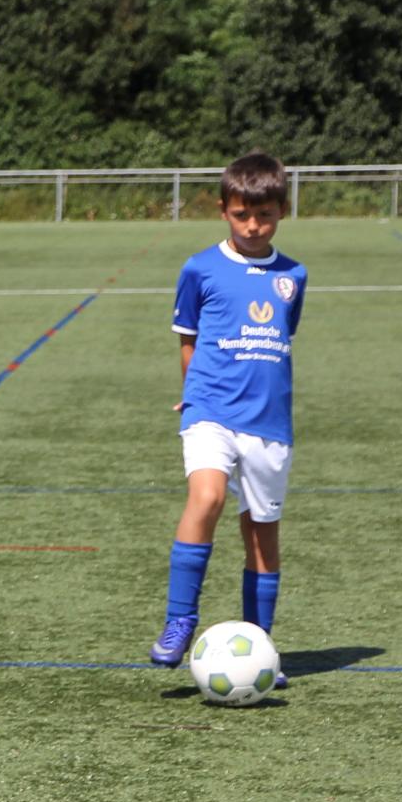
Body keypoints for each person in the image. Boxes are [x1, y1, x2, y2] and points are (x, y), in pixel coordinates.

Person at [150, 151, 306, 686]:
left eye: (264, 215)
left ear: (282, 211)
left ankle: (260, 647)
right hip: (210, 409)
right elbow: (188, 341)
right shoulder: (200, 269)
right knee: (208, 497)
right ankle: (179, 620)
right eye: (242, 215)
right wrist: (191, 394)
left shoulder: (293, 275)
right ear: (224, 211)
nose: (253, 225)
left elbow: (280, 341)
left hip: (269, 421)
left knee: (261, 533)